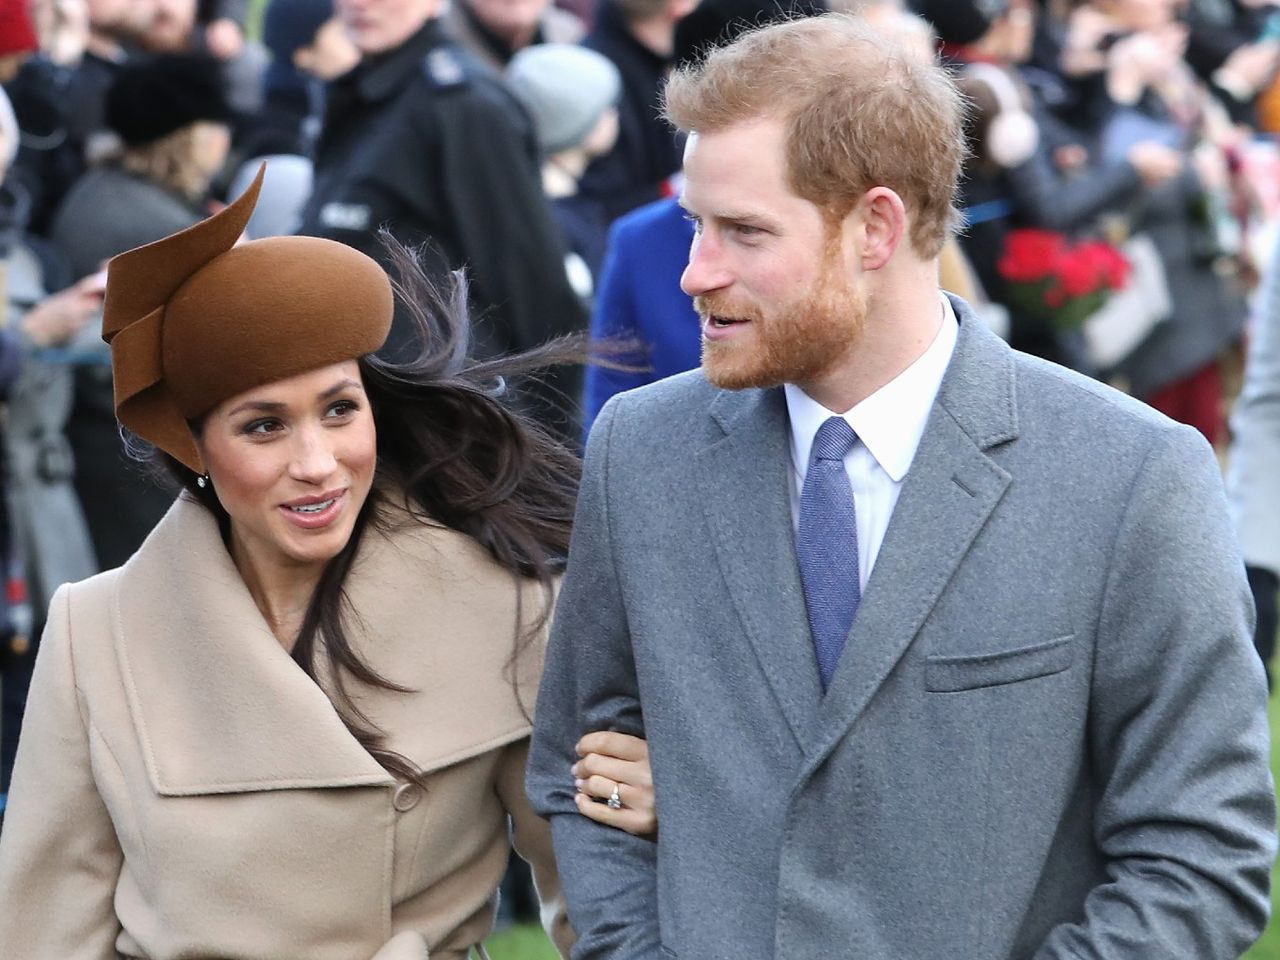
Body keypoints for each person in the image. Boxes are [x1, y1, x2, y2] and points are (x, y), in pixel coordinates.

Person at [528, 14, 1276, 959]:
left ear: (875, 226)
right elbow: (578, 768)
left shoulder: (1130, 474)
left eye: (744, 232)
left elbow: (1201, 856)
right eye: (695, 225)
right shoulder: (641, 449)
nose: (693, 273)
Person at [0, 167, 657, 958]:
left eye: (340, 410)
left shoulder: (506, 608)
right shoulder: (95, 632)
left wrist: (641, 800)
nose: (317, 462)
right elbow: (41, 932)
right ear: (196, 447)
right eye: (264, 427)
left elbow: (602, 907)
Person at [298, 0, 587, 438]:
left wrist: (552, 447)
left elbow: (529, 287)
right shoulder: (358, 95)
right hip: (370, 403)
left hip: (450, 424)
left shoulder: (463, 105)